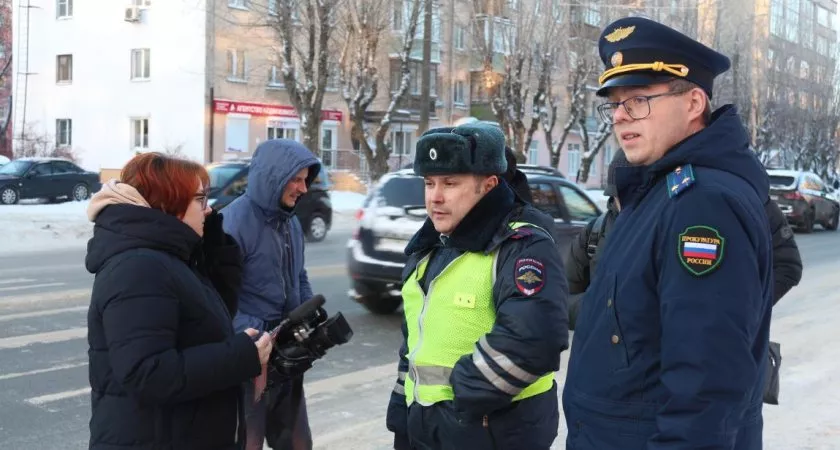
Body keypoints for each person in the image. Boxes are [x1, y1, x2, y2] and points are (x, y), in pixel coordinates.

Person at [562, 17, 774, 449]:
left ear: (694, 102)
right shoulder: (655, 191)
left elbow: (707, 382)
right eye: (614, 104)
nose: (619, 116)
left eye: (638, 100)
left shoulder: (702, 202)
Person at [385, 122, 570, 450]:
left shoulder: (522, 245)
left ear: (488, 185)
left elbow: (533, 340)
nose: (435, 197)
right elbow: (416, 342)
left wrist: (462, 405)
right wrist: (403, 412)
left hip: (490, 431)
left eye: (450, 183)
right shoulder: (429, 246)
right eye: (429, 183)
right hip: (427, 428)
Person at [85, 152, 272, 450]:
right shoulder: (139, 267)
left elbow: (214, 317)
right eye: (200, 199)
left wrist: (212, 240)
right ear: (167, 204)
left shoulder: (171, 257)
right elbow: (147, 373)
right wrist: (240, 357)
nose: (208, 209)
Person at [221, 139, 321, 450]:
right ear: (273, 178)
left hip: (287, 357)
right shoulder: (232, 223)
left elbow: (299, 275)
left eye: (305, 180)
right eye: (296, 179)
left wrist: (308, 315)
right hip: (251, 362)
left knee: (298, 443)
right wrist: (259, 335)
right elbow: (219, 299)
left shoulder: (290, 222)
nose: (303, 188)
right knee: (248, 443)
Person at [564, 149, 628, 329]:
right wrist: (602, 306)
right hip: (597, 341)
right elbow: (562, 302)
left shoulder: (664, 230)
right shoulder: (595, 232)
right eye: (620, 196)